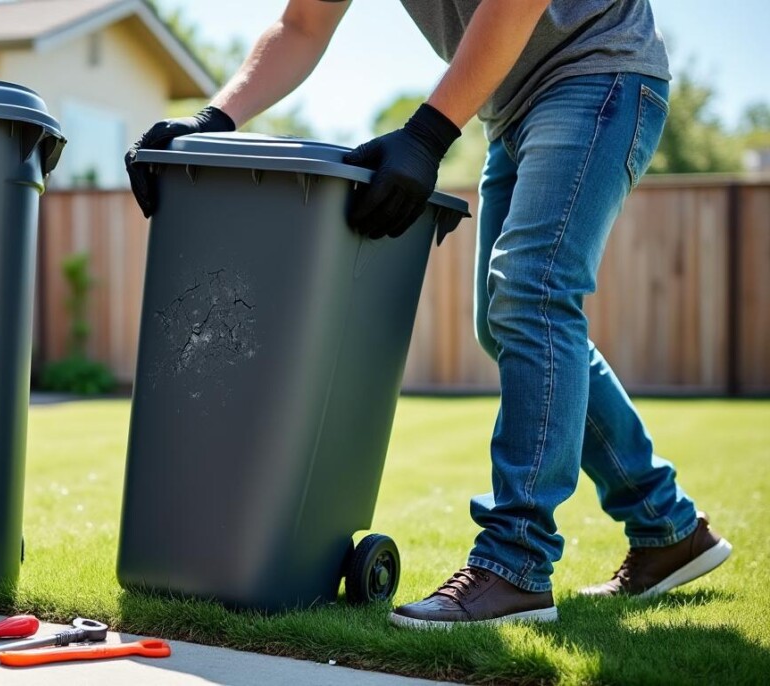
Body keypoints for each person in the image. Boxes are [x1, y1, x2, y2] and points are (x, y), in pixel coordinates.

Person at [124, 0, 732, 628]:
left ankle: (515, 565)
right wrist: (212, 120)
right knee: (508, 319)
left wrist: (425, 136)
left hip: (598, 71)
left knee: (532, 292)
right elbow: (302, 24)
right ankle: (668, 530)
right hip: (511, 104)